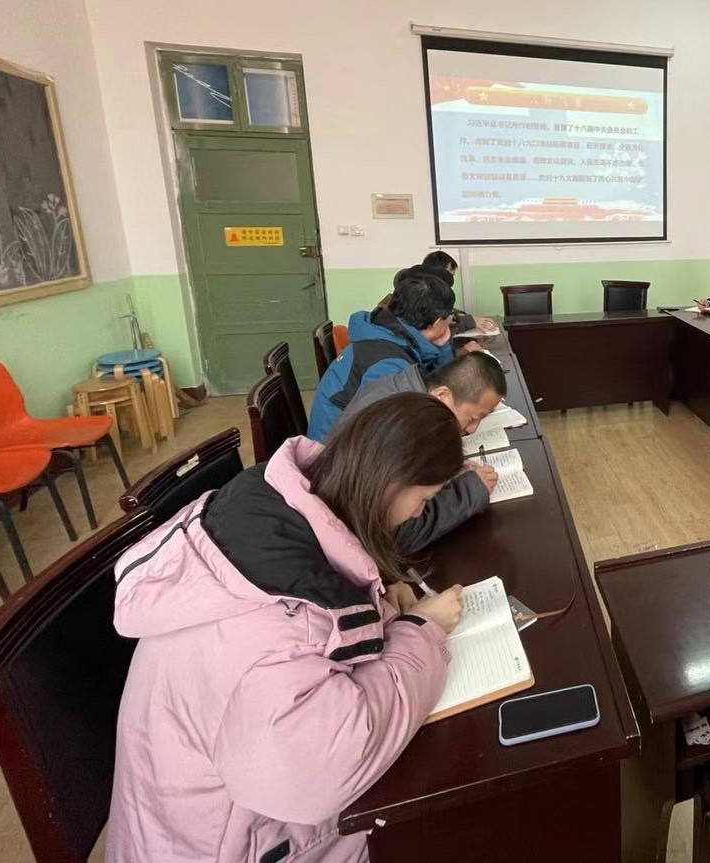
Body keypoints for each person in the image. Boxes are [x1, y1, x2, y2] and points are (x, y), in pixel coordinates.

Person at [107, 393, 466, 863]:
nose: (419, 514)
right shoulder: (274, 623)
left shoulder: (275, 516)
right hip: (227, 845)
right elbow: (319, 776)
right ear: (390, 482)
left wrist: (376, 607)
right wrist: (421, 631)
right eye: (425, 499)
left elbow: (312, 630)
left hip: (211, 813)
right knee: (453, 817)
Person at [328, 352, 508, 551]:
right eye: (473, 418)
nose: (473, 429)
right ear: (442, 395)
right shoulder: (403, 427)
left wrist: (442, 471)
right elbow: (396, 534)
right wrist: (469, 491)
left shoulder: (404, 391)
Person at [307, 267, 457, 441]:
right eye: (449, 319)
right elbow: (387, 436)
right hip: (333, 451)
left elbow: (437, 382)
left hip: (342, 441)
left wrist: (442, 347)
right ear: (437, 323)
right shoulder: (389, 365)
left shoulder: (383, 334)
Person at [422, 250, 497, 335]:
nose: (450, 281)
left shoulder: (428, 288)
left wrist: (468, 317)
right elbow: (440, 327)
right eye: (450, 276)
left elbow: (446, 313)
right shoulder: (422, 293)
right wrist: (472, 321)